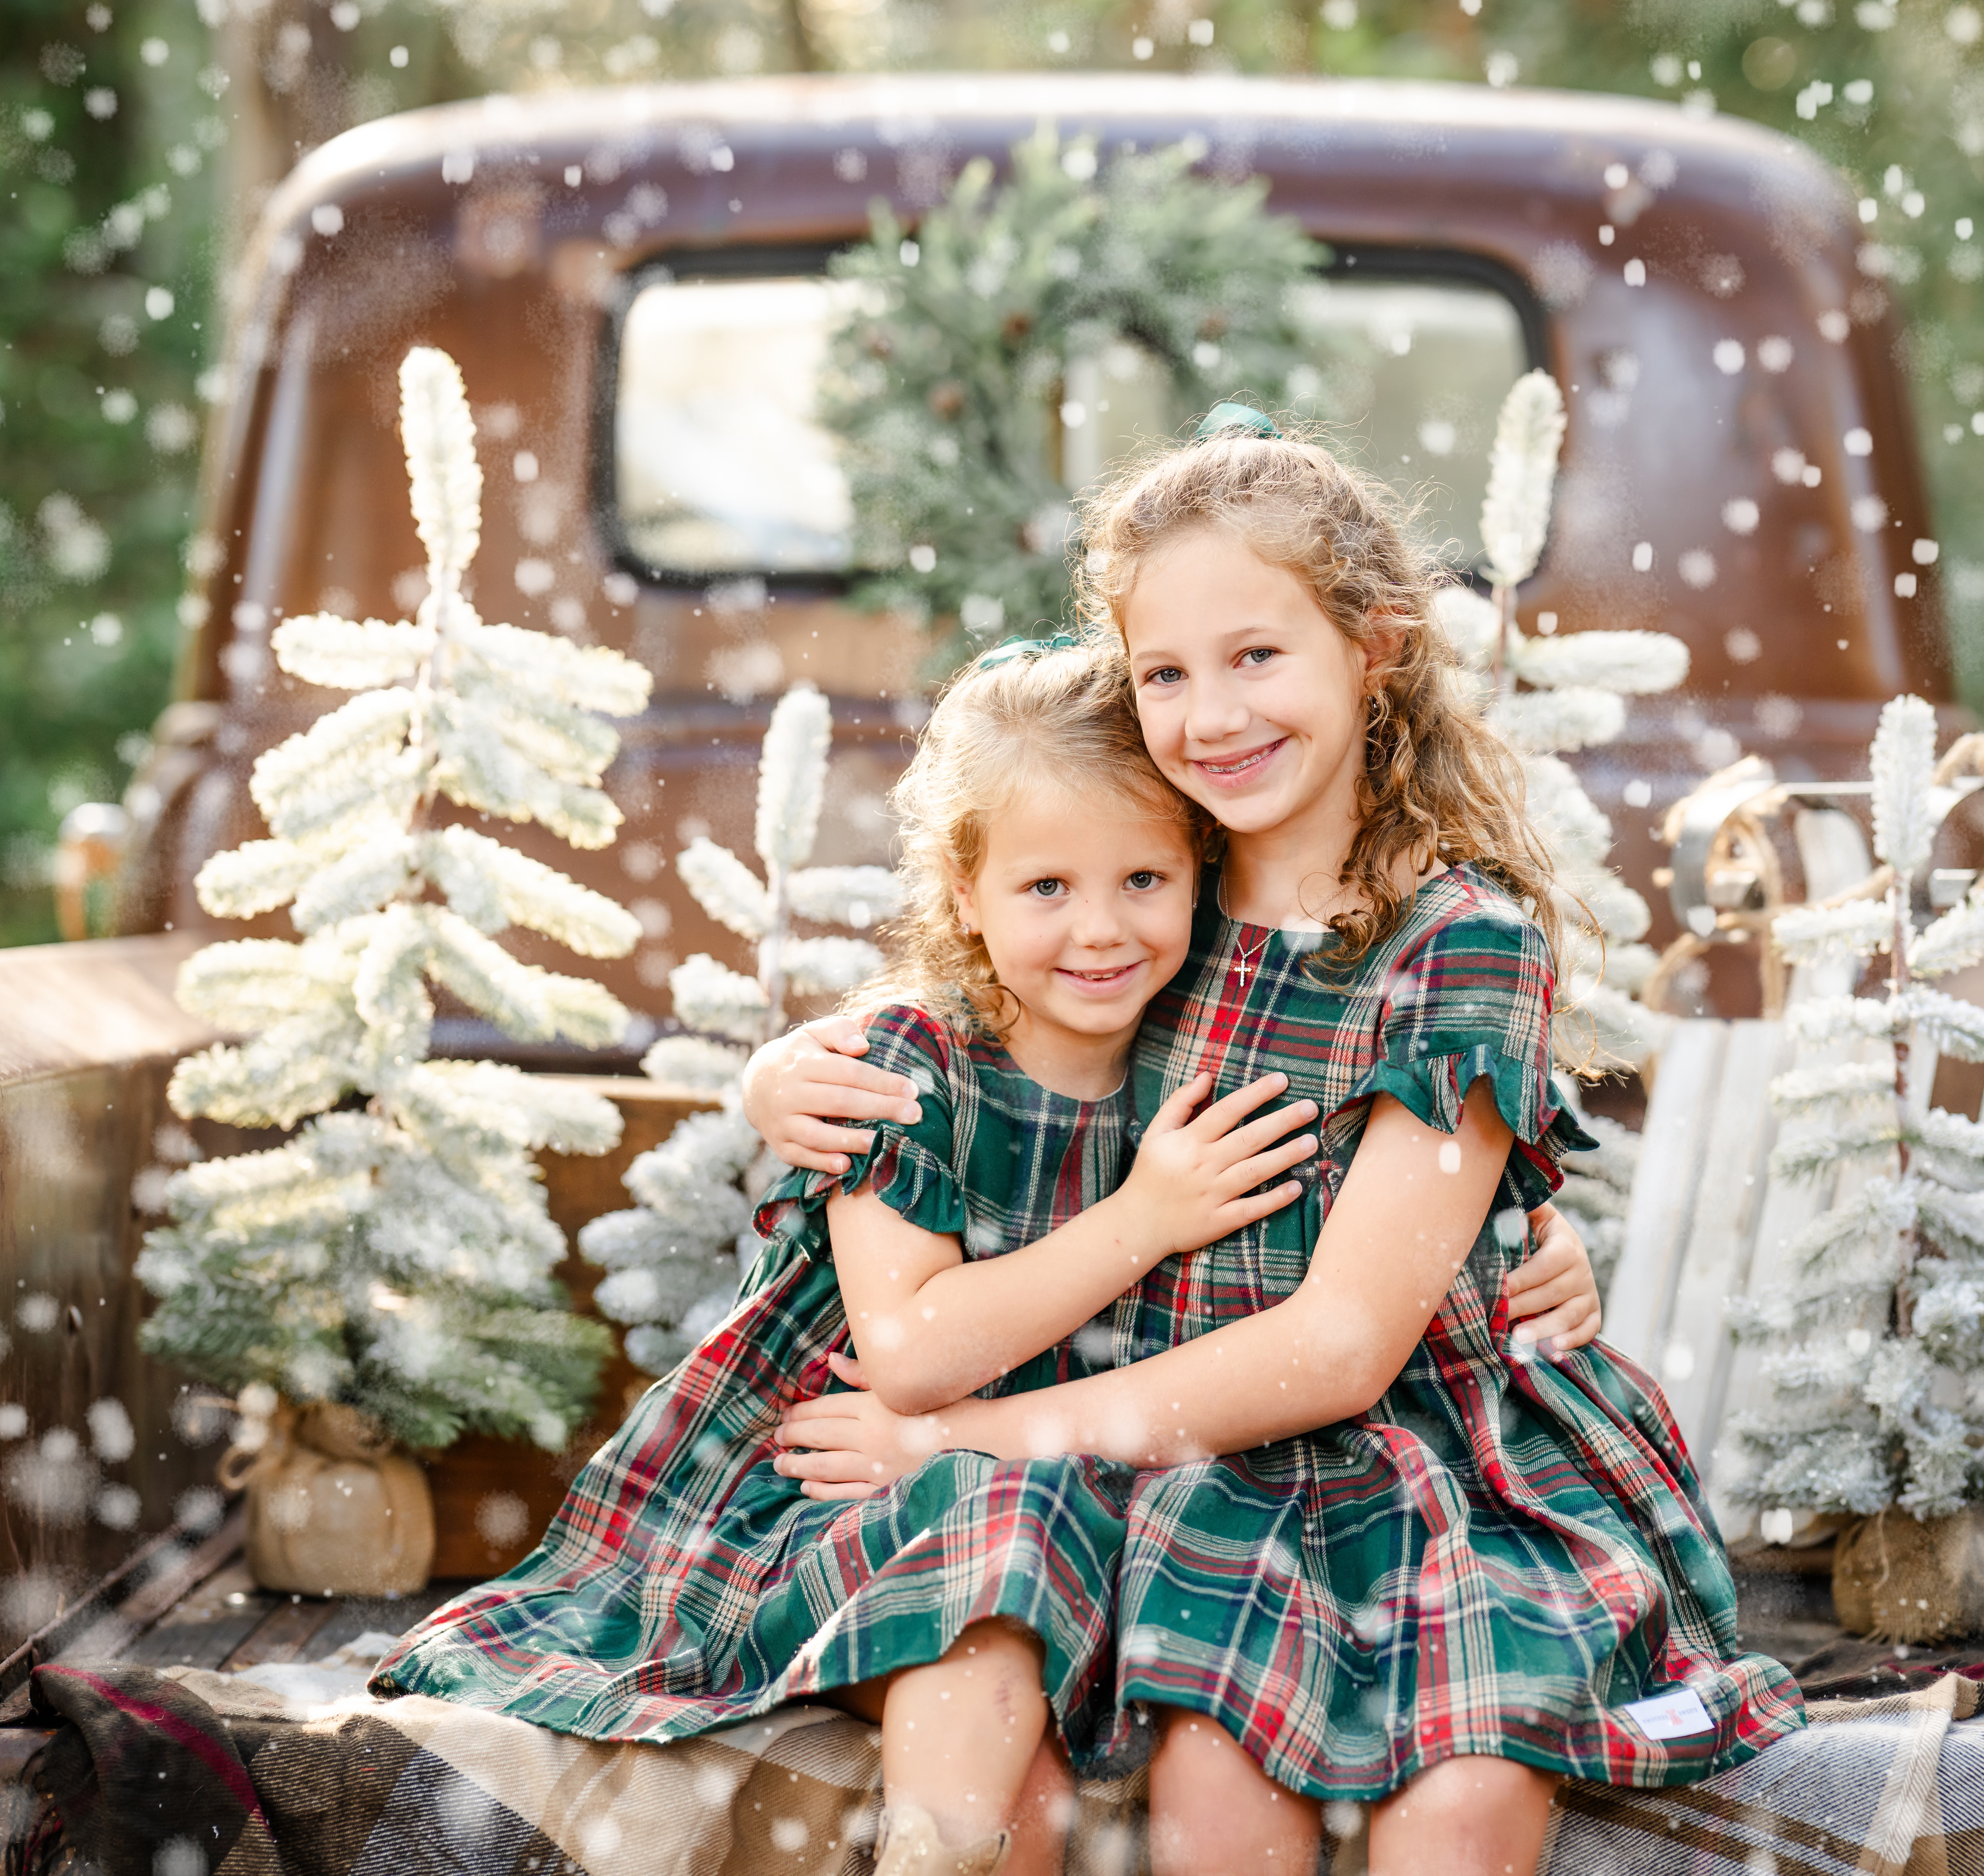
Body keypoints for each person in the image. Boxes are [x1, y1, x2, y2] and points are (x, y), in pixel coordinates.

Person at [751, 416, 1804, 1876]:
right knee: (1216, 1790)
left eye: (1258, 656)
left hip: (1445, 1465)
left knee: (1466, 1793)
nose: (1212, 715)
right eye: (1165, 673)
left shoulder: (1456, 944)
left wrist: (951, 1438)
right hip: (1206, 1466)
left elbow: (1346, 1346)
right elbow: (995, 976)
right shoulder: (1162, 888)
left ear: (1374, 648)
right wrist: (784, 1064)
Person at [375, 641, 1605, 1876]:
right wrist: (1142, 1219)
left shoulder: (1186, 1020)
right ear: (965, 892)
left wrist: (1538, 1246)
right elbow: (910, 1358)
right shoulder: (912, 1066)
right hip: (860, 1477)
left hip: (1073, 1482)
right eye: (1046, 890)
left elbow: (1380, 1183)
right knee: (994, 1595)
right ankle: (935, 1852)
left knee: (1032, 1628)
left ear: (1199, 879)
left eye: (1143, 878)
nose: (1101, 929)